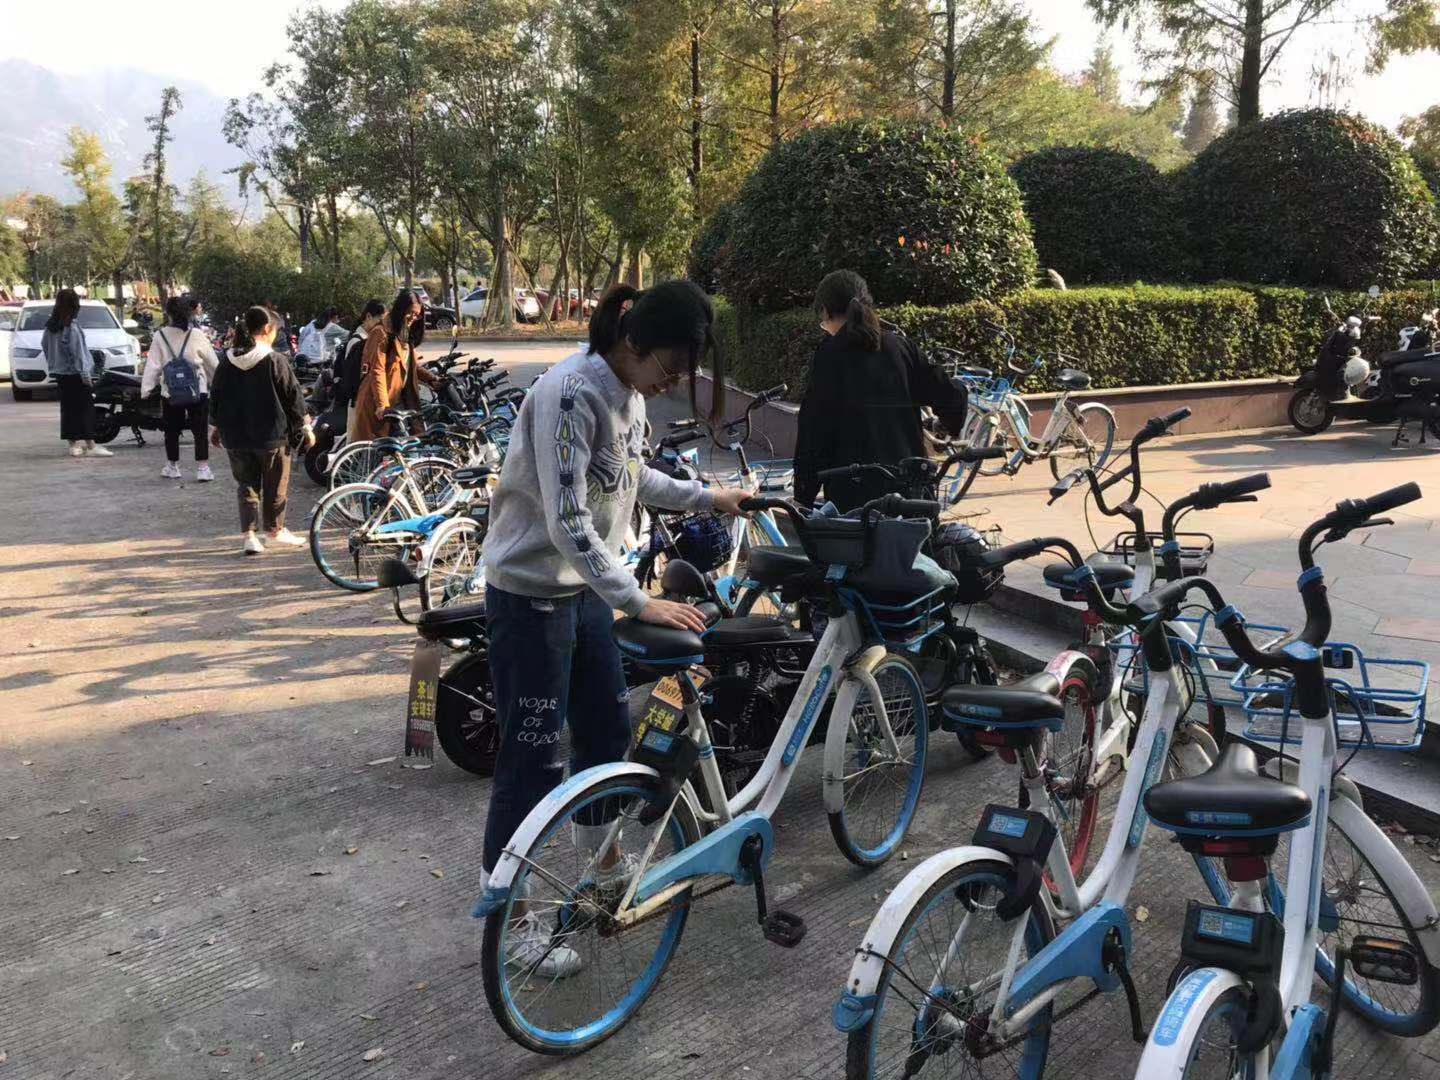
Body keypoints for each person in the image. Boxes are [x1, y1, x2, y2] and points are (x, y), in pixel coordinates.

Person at [478, 280, 749, 977]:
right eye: (671, 366)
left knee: (603, 736)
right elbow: (568, 518)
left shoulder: (630, 396)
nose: (672, 383)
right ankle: (513, 917)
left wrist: (709, 496)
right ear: (633, 341)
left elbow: (635, 478)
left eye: (683, 372)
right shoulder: (571, 393)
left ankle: (601, 865)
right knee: (531, 763)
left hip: (585, 595)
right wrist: (638, 601)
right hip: (530, 599)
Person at [793, 269, 969, 512]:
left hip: (856, 499)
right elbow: (951, 394)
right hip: (912, 492)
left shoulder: (829, 355)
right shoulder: (901, 347)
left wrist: (803, 497)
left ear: (825, 311)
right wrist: (948, 425)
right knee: (920, 537)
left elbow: (814, 432)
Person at [208, 306, 313, 556]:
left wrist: (216, 427)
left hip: (236, 436)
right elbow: (293, 397)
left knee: (246, 485)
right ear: (267, 329)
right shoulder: (275, 360)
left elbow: (216, 396)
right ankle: (275, 531)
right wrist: (306, 426)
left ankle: (250, 537)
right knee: (275, 484)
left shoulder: (227, 360)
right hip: (271, 436)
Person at [141, 294, 221, 481]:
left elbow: (153, 366)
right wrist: (215, 383)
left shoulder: (160, 336)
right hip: (197, 390)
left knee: (171, 430)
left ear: (168, 313)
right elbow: (212, 363)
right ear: (189, 313)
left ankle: (172, 466)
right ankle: (203, 468)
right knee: (200, 430)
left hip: (170, 392)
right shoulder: (197, 335)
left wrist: (146, 390)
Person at [349, 290, 440, 442]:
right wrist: (382, 404)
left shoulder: (404, 333)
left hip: (400, 400)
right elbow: (377, 369)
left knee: (408, 446)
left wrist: (433, 379)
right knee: (379, 450)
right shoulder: (381, 333)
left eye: (417, 315)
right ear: (400, 309)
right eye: (411, 313)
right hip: (378, 403)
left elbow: (412, 366)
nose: (413, 318)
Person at [42, 288, 113, 458]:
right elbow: (78, 354)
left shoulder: (50, 326)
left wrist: (53, 364)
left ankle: (73, 445)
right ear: (75, 306)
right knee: (85, 409)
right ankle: (91, 445)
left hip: (60, 374)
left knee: (68, 409)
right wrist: (86, 376)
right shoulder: (72, 328)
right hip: (76, 374)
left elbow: (44, 345)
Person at [335, 299, 385, 433]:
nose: (382, 326)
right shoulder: (357, 341)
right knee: (355, 441)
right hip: (356, 401)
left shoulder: (368, 338)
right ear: (368, 317)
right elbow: (351, 375)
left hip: (363, 401)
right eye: (380, 321)